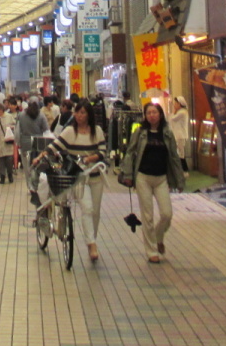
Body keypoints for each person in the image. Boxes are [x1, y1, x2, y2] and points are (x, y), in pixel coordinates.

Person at [38, 100, 106, 261]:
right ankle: (91, 244)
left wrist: (91, 158)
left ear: (89, 115)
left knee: (95, 212)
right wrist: (40, 156)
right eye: (77, 112)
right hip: (78, 178)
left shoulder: (97, 131)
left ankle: (92, 239)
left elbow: (103, 151)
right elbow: (54, 146)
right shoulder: (69, 131)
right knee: (87, 208)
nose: (79, 116)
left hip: (95, 176)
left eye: (83, 112)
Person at [119, 102, 186, 262]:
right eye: (148, 113)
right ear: (145, 116)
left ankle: (158, 236)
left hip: (162, 178)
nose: (152, 115)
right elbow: (130, 152)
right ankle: (151, 251)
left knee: (166, 214)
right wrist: (128, 174)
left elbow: (174, 158)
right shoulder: (140, 132)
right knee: (147, 216)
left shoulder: (167, 132)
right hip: (143, 177)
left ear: (160, 114)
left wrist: (179, 180)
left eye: (154, 112)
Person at [16, 100, 50, 206]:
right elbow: (46, 130)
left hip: (25, 144)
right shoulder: (41, 115)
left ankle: (30, 187)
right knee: (37, 166)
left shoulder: (21, 115)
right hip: (39, 144)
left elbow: (17, 131)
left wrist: (18, 142)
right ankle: (36, 185)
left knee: (27, 167)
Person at [0, 103, 15, 184]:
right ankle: (2, 177)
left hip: (8, 141)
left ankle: (10, 174)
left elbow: (15, 125)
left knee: (9, 159)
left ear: (1, 110)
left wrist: (11, 129)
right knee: (1, 160)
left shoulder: (9, 116)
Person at [170, 96, 191, 172]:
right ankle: (182, 170)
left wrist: (174, 111)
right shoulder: (180, 112)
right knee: (179, 153)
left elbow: (172, 118)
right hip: (178, 135)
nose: (174, 104)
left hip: (180, 135)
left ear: (180, 104)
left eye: (176, 103)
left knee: (181, 153)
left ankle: (184, 169)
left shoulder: (182, 112)